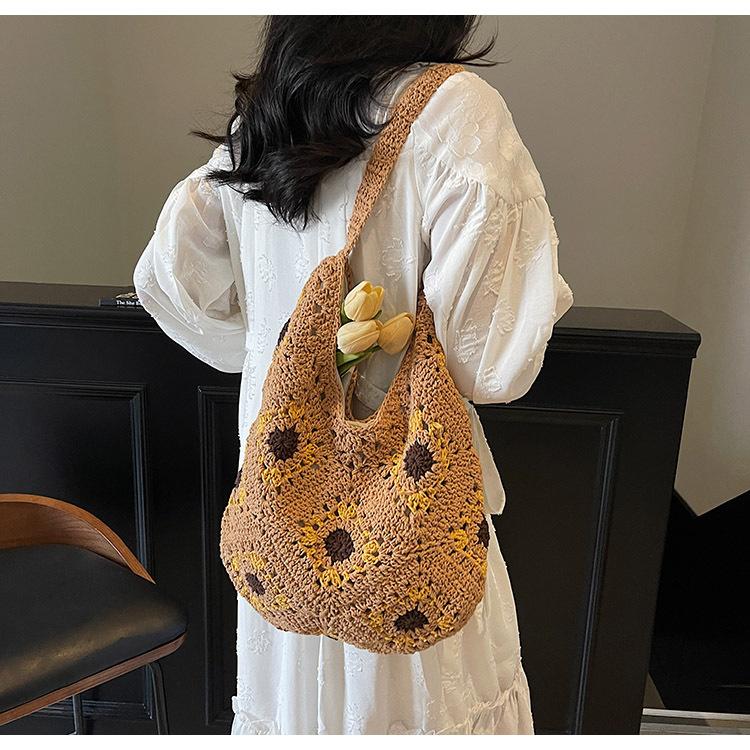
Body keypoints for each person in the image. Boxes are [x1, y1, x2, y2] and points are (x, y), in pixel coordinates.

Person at [133, 15, 573, 735]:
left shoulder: (273, 110)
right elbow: (493, 366)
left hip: (284, 509)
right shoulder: (455, 110)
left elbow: (171, 283)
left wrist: (285, 358)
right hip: (410, 510)